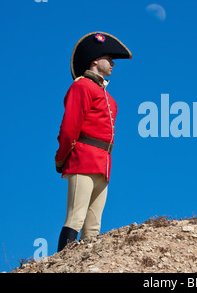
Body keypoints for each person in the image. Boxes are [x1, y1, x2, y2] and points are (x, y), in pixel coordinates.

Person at [55, 31, 132, 252]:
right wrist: (61, 159)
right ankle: (60, 266)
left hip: (103, 164)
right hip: (82, 159)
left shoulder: (109, 98)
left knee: (93, 227)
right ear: (95, 60)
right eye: (109, 58)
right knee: (75, 219)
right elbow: (69, 127)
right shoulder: (82, 86)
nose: (113, 64)